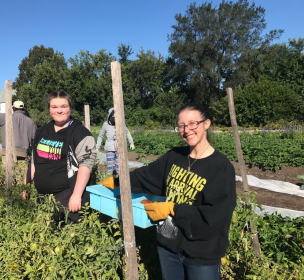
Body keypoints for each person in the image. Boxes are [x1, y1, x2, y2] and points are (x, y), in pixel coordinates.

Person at [100, 103, 236, 280]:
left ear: (206, 124)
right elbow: (146, 176)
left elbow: (216, 217)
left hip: (201, 253)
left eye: (193, 123)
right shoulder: (175, 157)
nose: (187, 130)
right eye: (181, 126)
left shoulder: (220, 167)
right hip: (168, 247)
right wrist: (118, 181)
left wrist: (173, 209)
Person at [26, 91, 96, 223]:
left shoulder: (80, 133)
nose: (59, 110)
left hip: (68, 198)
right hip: (43, 199)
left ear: (70, 108)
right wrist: (26, 186)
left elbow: (85, 165)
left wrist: (76, 195)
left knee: (70, 236)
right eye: (54, 107)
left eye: (64, 106)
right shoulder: (41, 131)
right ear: (49, 109)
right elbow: (34, 162)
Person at [0, 100, 37, 183]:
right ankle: (23, 194)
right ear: (23, 109)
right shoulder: (30, 121)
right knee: (22, 179)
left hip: (7, 152)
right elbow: (35, 138)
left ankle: (9, 195)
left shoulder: (6, 118)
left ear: (13, 108)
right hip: (23, 154)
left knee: (8, 178)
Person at [96, 108, 135, 175]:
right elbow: (100, 136)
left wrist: (131, 143)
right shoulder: (106, 125)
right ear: (109, 117)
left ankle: (119, 181)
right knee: (110, 167)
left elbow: (127, 132)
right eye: (113, 118)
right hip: (109, 148)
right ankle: (109, 180)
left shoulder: (121, 124)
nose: (114, 120)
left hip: (120, 148)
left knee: (119, 167)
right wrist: (97, 147)